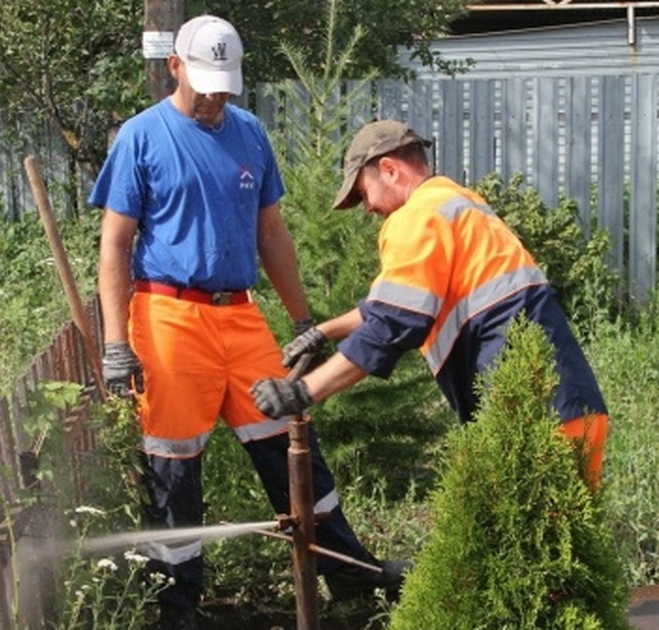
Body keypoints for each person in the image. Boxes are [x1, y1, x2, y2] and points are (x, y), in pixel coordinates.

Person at [90, 16, 404, 630]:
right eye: (205, 83)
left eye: (225, 86)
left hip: (240, 315)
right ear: (175, 67)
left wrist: (304, 319)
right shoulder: (141, 137)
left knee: (292, 435)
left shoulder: (250, 134)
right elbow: (115, 245)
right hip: (166, 314)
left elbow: (271, 232)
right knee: (174, 462)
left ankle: (346, 569)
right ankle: (178, 607)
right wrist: (114, 342)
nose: (215, 97)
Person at [250, 120, 610, 490]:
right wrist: (323, 331)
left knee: (516, 538)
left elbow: (390, 325)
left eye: (363, 193)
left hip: (528, 417)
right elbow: (393, 303)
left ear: (389, 169)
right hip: (573, 408)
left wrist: (303, 392)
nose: (368, 209)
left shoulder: (415, 217)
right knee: (565, 538)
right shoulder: (457, 203)